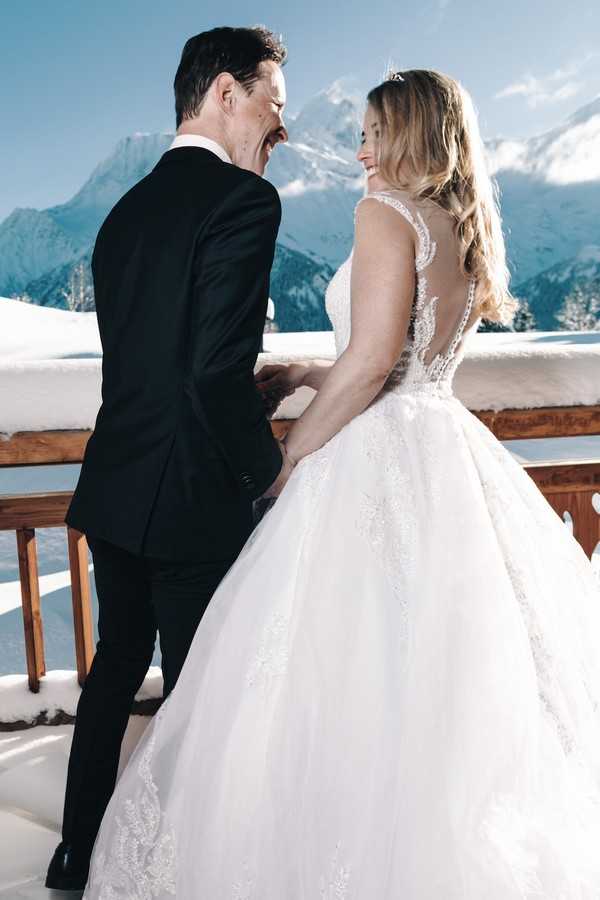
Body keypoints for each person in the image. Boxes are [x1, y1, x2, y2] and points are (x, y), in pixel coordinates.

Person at [83, 70, 600, 898]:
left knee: (338, 666)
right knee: (434, 671)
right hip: (445, 451)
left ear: (405, 133)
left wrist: (292, 464)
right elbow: (404, 363)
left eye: (370, 130)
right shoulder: (460, 223)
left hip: (377, 456)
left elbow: (368, 369)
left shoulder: (384, 211)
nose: (358, 148)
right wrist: (302, 370)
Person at [45, 26, 293, 892]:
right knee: (200, 694)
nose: (280, 127)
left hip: (115, 488)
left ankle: (75, 854)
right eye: (272, 104)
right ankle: (186, 871)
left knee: (115, 670)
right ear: (225, 91)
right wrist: (272, 475)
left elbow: (156, 360)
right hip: (193, 499)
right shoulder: (246, 203)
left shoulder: (122, 214)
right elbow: (211, 372)